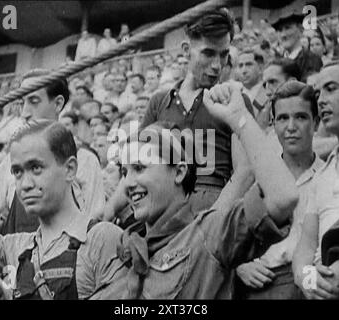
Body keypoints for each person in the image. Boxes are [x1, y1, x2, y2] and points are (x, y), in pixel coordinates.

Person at [93, 80, 298, 299]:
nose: (129, 183)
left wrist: (239, 117)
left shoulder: (209, 233)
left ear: (179, 172)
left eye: (140, 168)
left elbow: (283, 197)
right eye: (125, 173)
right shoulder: (122, 253)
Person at [0, 121, 127, 300]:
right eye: (17, 172)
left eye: (36, 168)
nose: (25, 184)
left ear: (70, 169)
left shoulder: (101, 240)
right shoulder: (17, 247)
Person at [141, 10, 254, 214]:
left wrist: (210, 223)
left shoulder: (234, 100)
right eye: (208, 53)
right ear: (186, 50)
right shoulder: (159, 102)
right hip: (163, 209)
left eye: (224, 54)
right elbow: (137, 167)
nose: (217, 65)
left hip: (212, 205)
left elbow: (245, 173)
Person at [0, 69, 105, 237]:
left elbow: (94, 226)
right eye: (22, 103)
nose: (25, 113)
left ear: (58, 104)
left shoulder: (85, 160)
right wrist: (4, 251)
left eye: (34, 101)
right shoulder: (10, 161)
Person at [235, 81, 324, 299]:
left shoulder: (329, 176)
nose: (291, 127)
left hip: (310, 282)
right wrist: (240, 267)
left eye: (301, 117)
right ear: (273, 125)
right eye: (283, 118)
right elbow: (232, 238)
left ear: (316, 123)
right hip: (262, 285)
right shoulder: (259, 177)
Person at [293, 61, 339, 300]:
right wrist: (311, 282)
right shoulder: (321, 175)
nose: (321, 100)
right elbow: (304, 250)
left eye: (331, 89)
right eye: (319, 93)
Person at [272, 12, 323, 82]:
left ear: (301, 29)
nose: (283, 35)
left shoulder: (311, 59)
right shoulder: (277, 62)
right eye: (280, 30)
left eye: (288, 28)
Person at [236, 48, 265, 115]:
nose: (244, 71)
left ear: (260, 68)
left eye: (248, 65)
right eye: (240, 66)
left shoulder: (270, 93)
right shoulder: (234, 96)